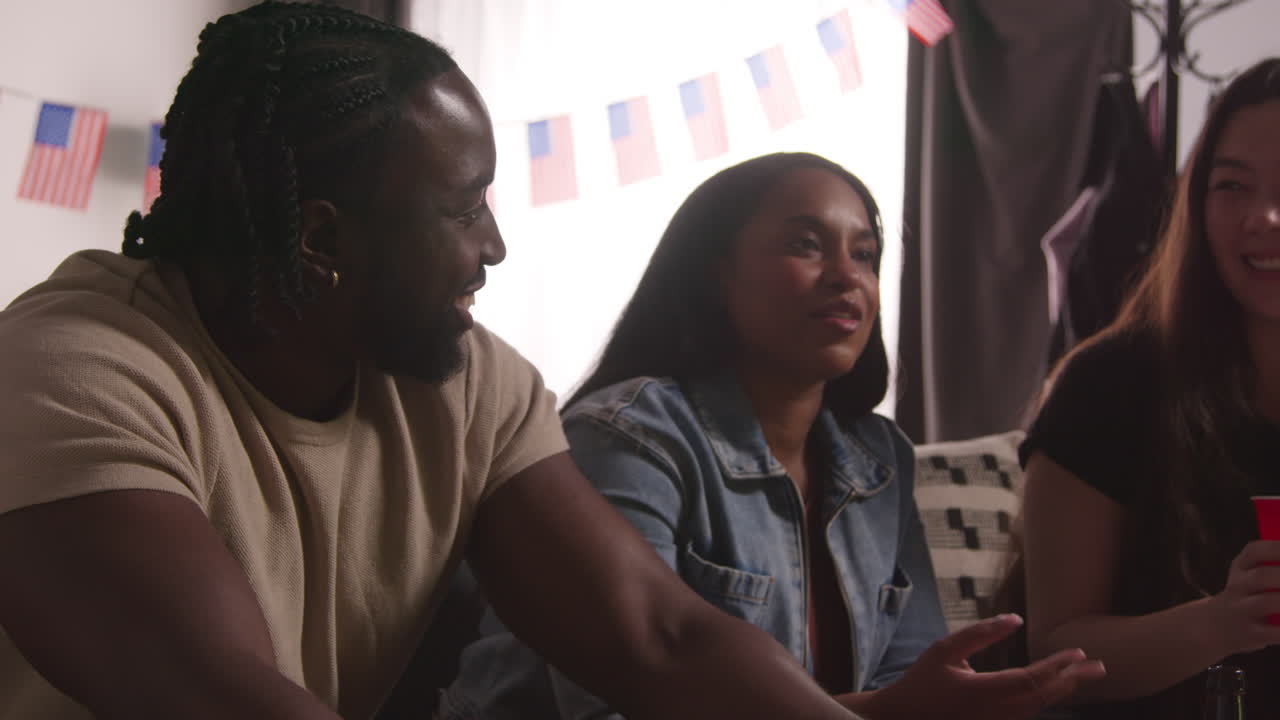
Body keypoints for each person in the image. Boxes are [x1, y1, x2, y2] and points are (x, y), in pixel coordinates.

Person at [440, 152, 1106, 720]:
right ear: (716, 272)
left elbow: (908, 690)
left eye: (865, 254)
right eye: (806, 245)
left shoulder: (878, 459)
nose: (849, 277)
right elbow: (617, 703)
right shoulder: (628, 438)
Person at [1020, 57, 1280, 719]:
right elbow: (1056, 652)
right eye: (1231, 186)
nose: (1264, 219)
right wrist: (1225, 620)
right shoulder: (1110, 384)